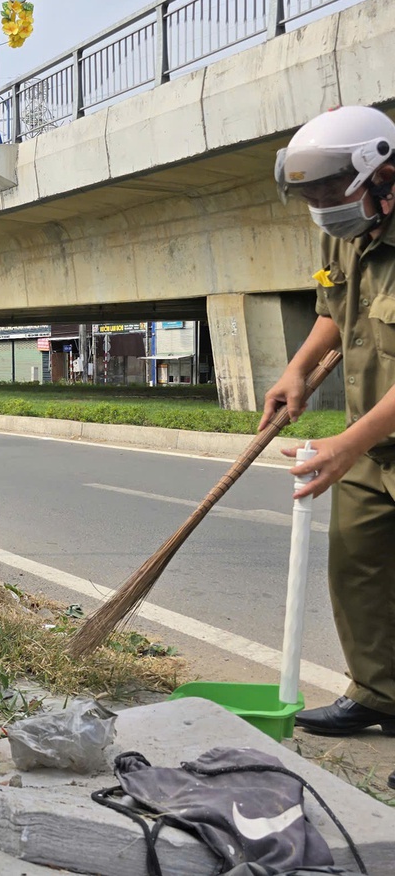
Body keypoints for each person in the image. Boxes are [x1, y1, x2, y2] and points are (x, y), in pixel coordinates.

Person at [268, 105, 395, 791]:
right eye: (310, 194)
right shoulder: (342, 234)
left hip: (366, 436)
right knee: (358, 570)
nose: (321, 206)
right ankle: (379, 693)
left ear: (383, 175)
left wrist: (347, 443)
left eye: (329, 190)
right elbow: (332, 312)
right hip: (373, 446)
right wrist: (296, 370)